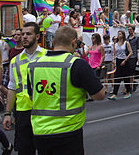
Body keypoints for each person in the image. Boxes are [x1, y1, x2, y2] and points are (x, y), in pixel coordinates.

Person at [27, 25, 105, 155]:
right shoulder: (77, 64)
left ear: (53, 42)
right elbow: (99, 95)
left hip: (40, 132)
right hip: (68, 132)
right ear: (74, 42)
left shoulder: (33, 65)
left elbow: (31, 97)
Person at [3, 22, 46, 155]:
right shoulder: (15, 60)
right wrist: (7, 114)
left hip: (44, 111)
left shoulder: (47, 56)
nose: (24, 37)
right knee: (25, 151)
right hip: (23, 112)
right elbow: (12, 87)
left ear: (37, 36)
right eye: (23, 34)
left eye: (28, 34)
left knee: (46, 150)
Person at [109, 30, 133, 99]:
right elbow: (114, 53)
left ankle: (128, 92)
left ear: (123, 35)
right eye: (118, 34)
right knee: (117, 77)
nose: (118, 35)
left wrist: (125, 60)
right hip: (118, 60)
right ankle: (114, 93)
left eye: (120, 34)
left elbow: (131, 52)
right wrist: (113, 59)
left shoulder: (126, 43)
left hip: (125, 60)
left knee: (126, 77)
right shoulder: (115, 44)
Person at [126, 26, 139, 92]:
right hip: (127, 56)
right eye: (128, 29)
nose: (129, 31)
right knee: (127, 72)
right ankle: (133, 83)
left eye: (130, 29)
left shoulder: (137, 38)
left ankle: (130, 87)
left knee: (131, 72)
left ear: (133, 30)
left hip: (133, 56)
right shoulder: (127, 38)